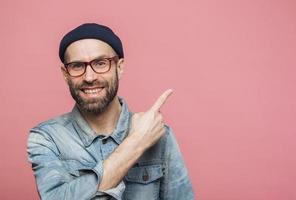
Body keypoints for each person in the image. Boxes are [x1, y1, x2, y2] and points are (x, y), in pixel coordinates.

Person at [27, 23, 194, 200]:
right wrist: (136, 142)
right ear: (65, 74)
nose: (89, 77)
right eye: (77, 66)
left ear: (119, 67)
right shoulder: (46, 138)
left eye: (100, 63)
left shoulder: (159, 134)